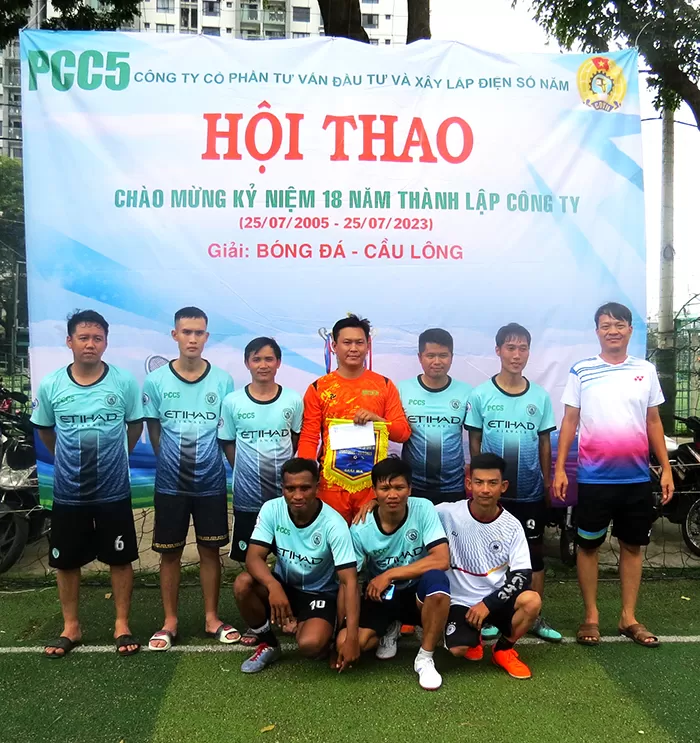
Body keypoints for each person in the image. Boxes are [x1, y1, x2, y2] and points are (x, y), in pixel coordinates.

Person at [553, 302, 673, 648]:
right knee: (588, 547)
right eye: (606, 325)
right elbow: (570, 421)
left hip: (635, 479)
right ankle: (590, 616)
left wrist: (666, 468)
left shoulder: (645, 370)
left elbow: (653, 421)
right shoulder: (582, 370)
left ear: (630, 330)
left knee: (632, 547)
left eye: (619, 325)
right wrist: (559, 469)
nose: (613, 331)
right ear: (597, 332)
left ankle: (628, 617)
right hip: (593, 479)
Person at [31, 310, 143, 657]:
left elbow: (134, 426)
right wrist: (67, 459)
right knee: (66, 562)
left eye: (97, 338)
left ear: (106, 342)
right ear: (70, 341)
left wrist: (116, 457)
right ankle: (71, 626)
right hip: (69, 492)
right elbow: (45, 430)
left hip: (113, 490)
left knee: (119, 559)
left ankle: (122, 624)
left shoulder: (124, 382)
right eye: (83, 338)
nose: (90, 344)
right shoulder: (52, 384)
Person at [143, 306, 237, 651]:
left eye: (198, 332)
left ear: (206, 336)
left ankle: (212, 618)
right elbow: (155, 432)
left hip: (211, 483)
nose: (192, 339)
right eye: (186, 332)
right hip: (170, 485)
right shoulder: (156, 381)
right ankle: (170, 622)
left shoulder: (223, 381)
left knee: (210, 551)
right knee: (170, 554)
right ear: (175, 335)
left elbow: (225, 434)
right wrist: (170, 464)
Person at [466, 323, 560, 643]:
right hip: (494, 496)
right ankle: (492, 613)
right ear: (498, 351)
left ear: (529, 352)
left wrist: (546, 484)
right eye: (510, 348)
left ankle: (534, 614)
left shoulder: (540, 397)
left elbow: (545, 443)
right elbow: (474, 441)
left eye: (522, 348)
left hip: (529, 492)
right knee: (494, 556)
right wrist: (479, 484)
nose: (516, 355)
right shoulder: (481, 394)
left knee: (533, 556)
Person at [233, 458, 360, 673]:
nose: (298, 495)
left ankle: (317, 629)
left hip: (320, 594)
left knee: (311, 645)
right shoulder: (272, 509)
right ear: (282, 489)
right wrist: (273, 586)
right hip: (284, 587)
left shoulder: (334, 523)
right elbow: (253, 558)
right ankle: (269, 644)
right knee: (242, 583)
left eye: (305, 488)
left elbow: (349, 582)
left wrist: (351, 637)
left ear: (317, 487)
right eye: (290, 489)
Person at [338, 457, 450, 690]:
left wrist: (389, 574)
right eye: (385, 488)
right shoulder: (360, 528)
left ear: (410, 489)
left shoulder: (423, 508)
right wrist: (345, 633)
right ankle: (391, 626)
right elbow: (350, 581)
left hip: (416, 592)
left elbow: (441, 559)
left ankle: (425, 658)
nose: (392, 495)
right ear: (374, 491)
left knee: (438, 584)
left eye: (399, 488)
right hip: (382, 595)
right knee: (346, 643)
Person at [218, 337, 303, 644]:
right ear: (247, 363)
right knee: (252, 560)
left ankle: (291, 611)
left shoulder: (292, 399)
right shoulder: (233, 402)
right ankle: (260, 619)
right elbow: (228, 443)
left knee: (290, 557)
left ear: (278, 363)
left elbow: (295, 439)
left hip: (284, 501)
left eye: (269, 359)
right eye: (256, 359)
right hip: (248, 497)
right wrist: (243, 471)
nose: (263, 365)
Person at [298, 314, 411, 523]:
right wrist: (304, 479)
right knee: (333, 540)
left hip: (373, 486)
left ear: (368, 346)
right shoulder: (318, 388)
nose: (353, 348)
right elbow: (309, 437)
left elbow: (403, 433)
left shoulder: (384, 385)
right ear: (334, 346)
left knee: (369, 539)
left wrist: (378, 420)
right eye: (347, 342)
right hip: (331, 485)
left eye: (359, 342)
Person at [438, 453, 541, 679]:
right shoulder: (447, 513)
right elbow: (412, 511)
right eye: (479, 482)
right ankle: (472, 636)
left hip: (494, 600)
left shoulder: (512, 526)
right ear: (469, 484)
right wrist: (375, 501)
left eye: (492, 483)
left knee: (532, 601)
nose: (485, 489)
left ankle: (503, 650)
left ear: (503, 486)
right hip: (460, 601)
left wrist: (488, 604)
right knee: (458, 650)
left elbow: (523, 575)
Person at [398, 328, 472, 505]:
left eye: (443, 355)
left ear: (452, 357)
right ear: (420, 357)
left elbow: (477, 438)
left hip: (453, 487)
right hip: (412, 487)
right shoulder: (402, 390)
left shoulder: (467, 392)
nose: (437, 361)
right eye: (430, 355)